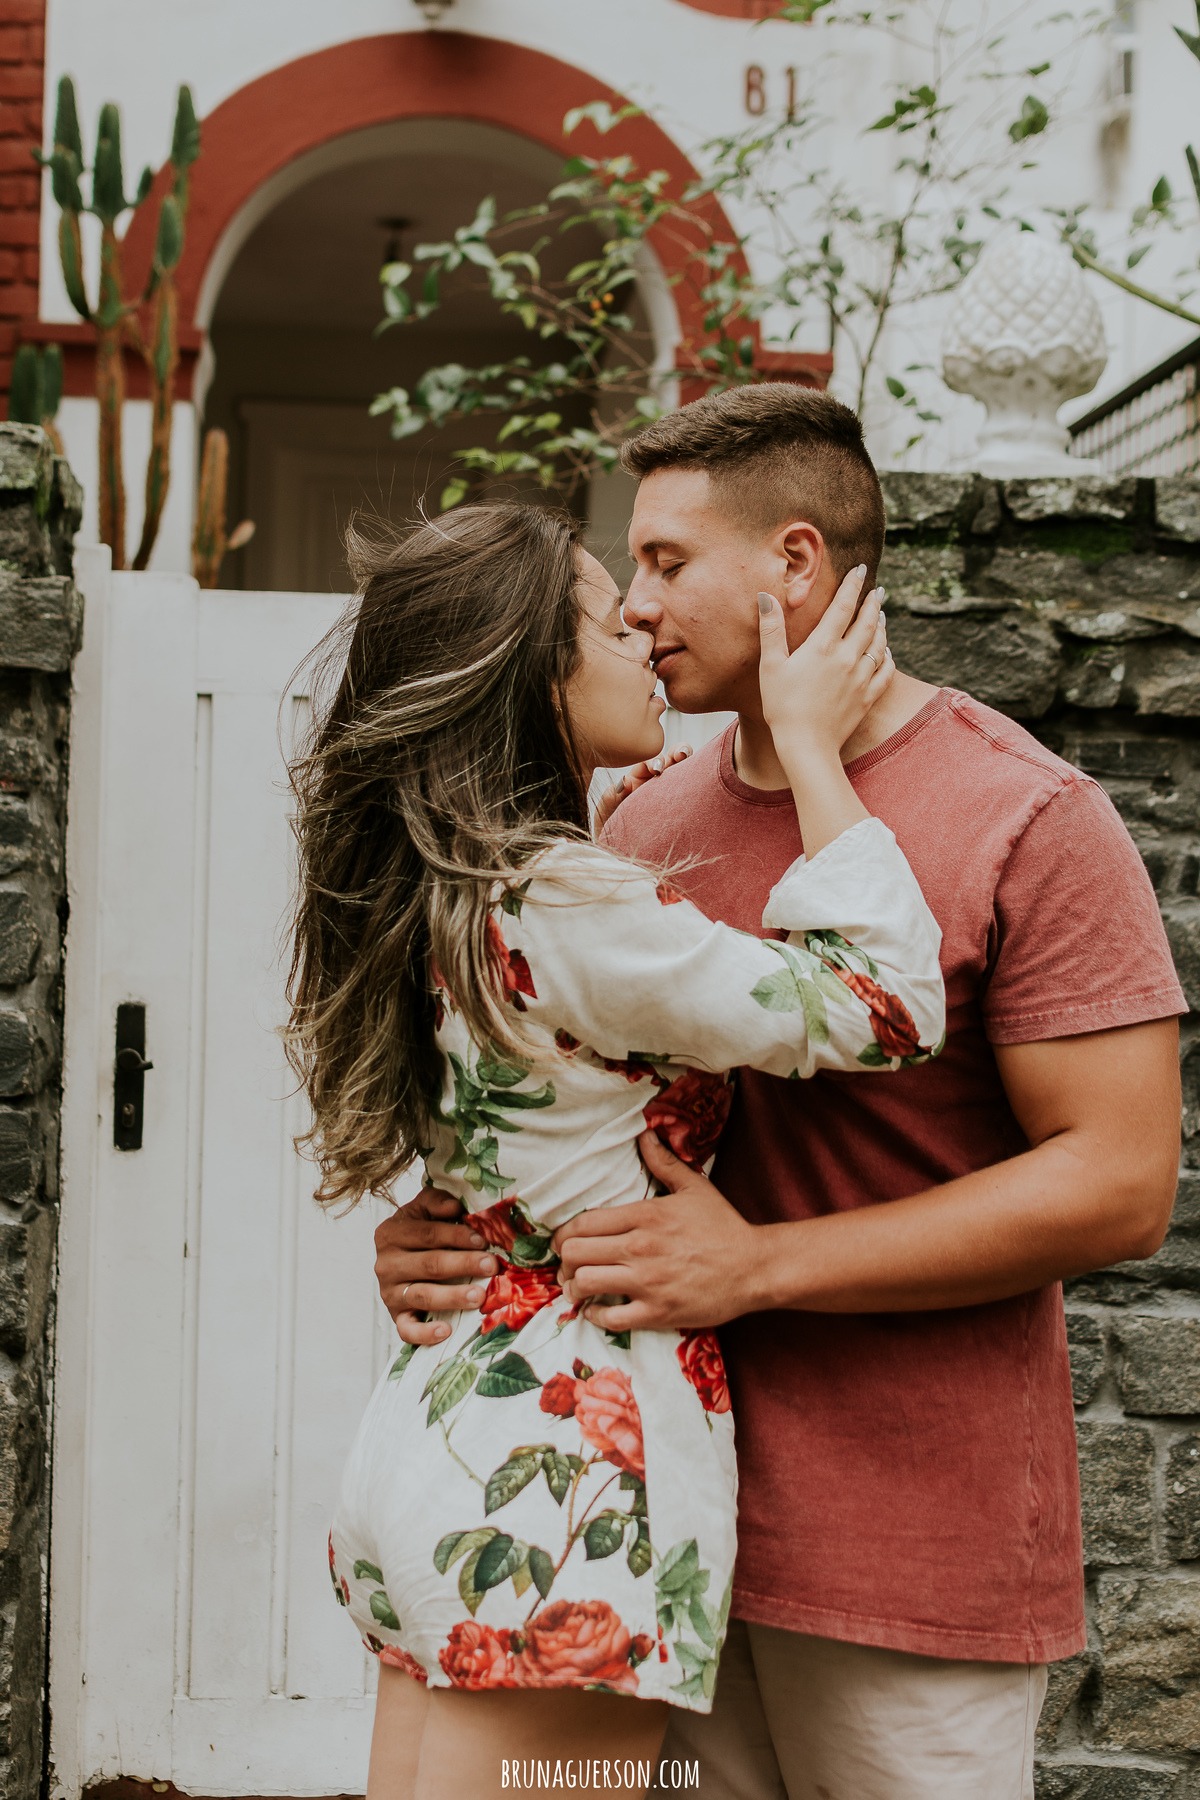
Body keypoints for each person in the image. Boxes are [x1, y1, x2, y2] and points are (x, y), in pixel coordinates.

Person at [373, 386, 1186, 1800]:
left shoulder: (1030, 815)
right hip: (655, 1526)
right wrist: (449, 1230)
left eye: (671, 561)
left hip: (905, 1550)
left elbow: (1118, 1184)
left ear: (795, 565)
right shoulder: (642, 814)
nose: (636, 604)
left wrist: (760, 1268)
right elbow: (568, 1096)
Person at [285, 500, 946, 1800]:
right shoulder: (573, 904)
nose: (641, 631)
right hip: (565, 1494)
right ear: (534, 670)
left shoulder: (445, 886)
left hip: (444, 1440)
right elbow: (885, 1003)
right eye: (604, 615)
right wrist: (811, 750)